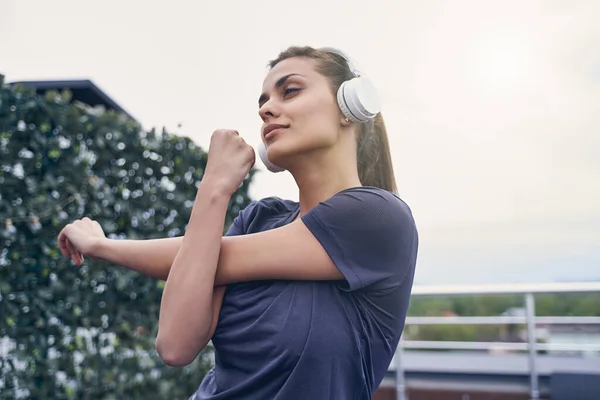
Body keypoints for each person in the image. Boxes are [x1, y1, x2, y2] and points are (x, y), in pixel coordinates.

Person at [57, 45, 419, 399]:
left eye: (289, 91)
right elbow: (175, 343)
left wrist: (103, 246)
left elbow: (206, 257)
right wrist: (214, 187)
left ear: (349, 105)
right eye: (262, 103)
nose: (267, 110)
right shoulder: (259, 218)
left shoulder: (378, 218)